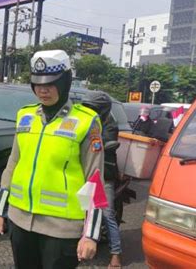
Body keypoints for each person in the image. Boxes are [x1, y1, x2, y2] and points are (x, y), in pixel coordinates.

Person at [0, 50, 105, 269]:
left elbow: (95, 179)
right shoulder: (25, 116)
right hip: (20, 221)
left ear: (65, 83)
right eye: (37, 84)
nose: (43, 90)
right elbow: (12, 165)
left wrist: (90, 234)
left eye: (51, 84)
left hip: (61, 229)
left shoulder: (86, 122)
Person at [82, 91, 122, 269]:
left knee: (106, 214)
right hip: (86, 172)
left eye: (93, 108)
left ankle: (116, 255)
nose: (89, 111)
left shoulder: (110, 126)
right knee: (81, 210)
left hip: (103, 175)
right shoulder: (87, 122)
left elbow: (97, 145)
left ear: (103, 110)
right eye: (87, 108)